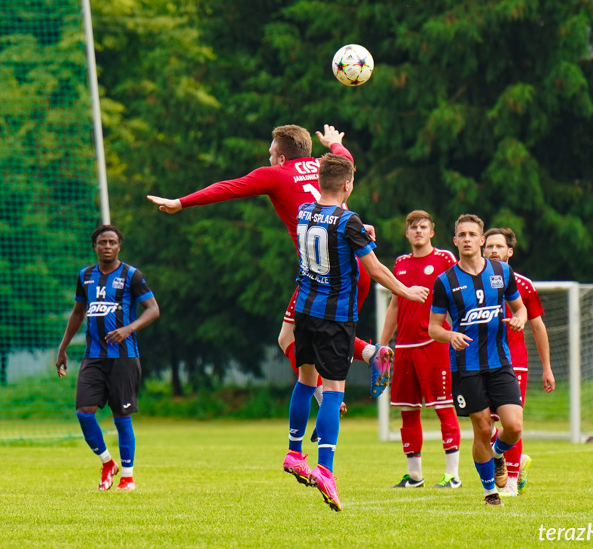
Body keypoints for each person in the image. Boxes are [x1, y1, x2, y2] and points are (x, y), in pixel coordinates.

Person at [147, 124, 393, 401]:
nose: (268, 159)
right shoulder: (327, 167)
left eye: (271, 153)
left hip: (323, 273)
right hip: (357, 267)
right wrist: (334, 143)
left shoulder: (276, 175)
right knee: (332, 336)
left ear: (282, 159)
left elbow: (228, 188)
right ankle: (371, 355)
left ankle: (327, 398)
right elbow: (346, 159)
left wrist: (181, 202)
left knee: (289, 338)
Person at [281, 154, 429, 511]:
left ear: (319, 182)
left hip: (303, 310)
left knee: (304, 380)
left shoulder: (303, 211)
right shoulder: (349, 221)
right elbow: (375, 269)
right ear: (348, 186)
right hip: (335, 317)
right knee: (333, 390)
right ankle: (325, 470)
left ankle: (293, 451)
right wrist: (406, 292)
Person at [428, 214, 527, 506]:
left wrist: (519, 320)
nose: (468, 239)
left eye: (473, 234)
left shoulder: (502, 272)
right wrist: (450, 336)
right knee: (482, 428)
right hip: (465, 367)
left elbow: (519, 309)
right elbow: (434, 327)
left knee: (514, 426)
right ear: (455, 241)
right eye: (463, 234)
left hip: (500, 362)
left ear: (482, 241)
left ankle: (497, 454)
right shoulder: (444, 281)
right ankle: (489, 492)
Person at [56, 225, 160, 492]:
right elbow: (78, 313)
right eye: (102, 242)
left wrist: (128, 329)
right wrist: (63, 347)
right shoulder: (85, 275)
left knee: (121, 417)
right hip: (93, 357)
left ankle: (127, 477)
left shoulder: (132, 275)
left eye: (112, 242)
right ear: (95, 246)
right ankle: (106, 462)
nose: (107, 246)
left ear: (119, 246)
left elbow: (153, 310)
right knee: (84, 413)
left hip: (124, 358)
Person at [379, 210, 462, 489]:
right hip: (403, 347)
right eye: (413, 227)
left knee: (443, 407)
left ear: (432, 232)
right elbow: (394, 306)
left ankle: (452, 474)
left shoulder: (444, 259)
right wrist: (382, 345)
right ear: (407, 233)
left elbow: (457, 297)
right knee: (407, 410)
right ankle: (414, 476)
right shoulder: (400, 263)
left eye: (423, 227)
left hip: (433, 345)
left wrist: (456, 332)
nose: (417, 231)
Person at [482, 227, 556, 496]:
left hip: (513, 363)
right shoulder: (471, 282)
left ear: (509, 252)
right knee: (485, 425)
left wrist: (547, 368)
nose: (493, 251)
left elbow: (537, 327)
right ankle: (514, 462)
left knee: (512, 422)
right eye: (489, 246)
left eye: (499, 246)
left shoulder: (523, 285)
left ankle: (512, 479)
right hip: (479, 362)